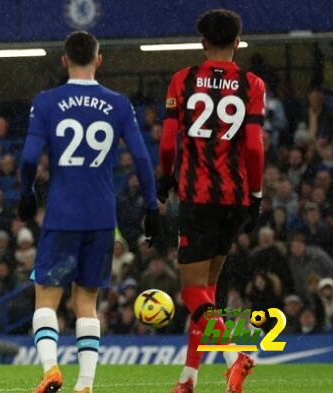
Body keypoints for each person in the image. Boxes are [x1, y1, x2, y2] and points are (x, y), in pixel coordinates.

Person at [18, 31, 159, 393]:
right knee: (87, 303)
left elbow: (31, 157)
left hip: (62, 213)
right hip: (101, 216)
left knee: (47, 299)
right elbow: (142, 158)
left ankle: (50, 369)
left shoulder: (47, 101)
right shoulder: (118, 103)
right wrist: (151, 204)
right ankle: (85, 384)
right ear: (99, 59)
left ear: (64, 61)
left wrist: (27, 191)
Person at [157, 9, 264, 393]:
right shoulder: (252, 84)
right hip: (234, 197)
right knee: (208, 293)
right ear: (238, 42)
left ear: (203, 43)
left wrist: (164, 179)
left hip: (198, 195)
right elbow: (253, 146)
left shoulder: (182, 80)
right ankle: (188, 378)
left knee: (190, 291)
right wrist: (255, 194)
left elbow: (169, 142)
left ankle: (236, 356)